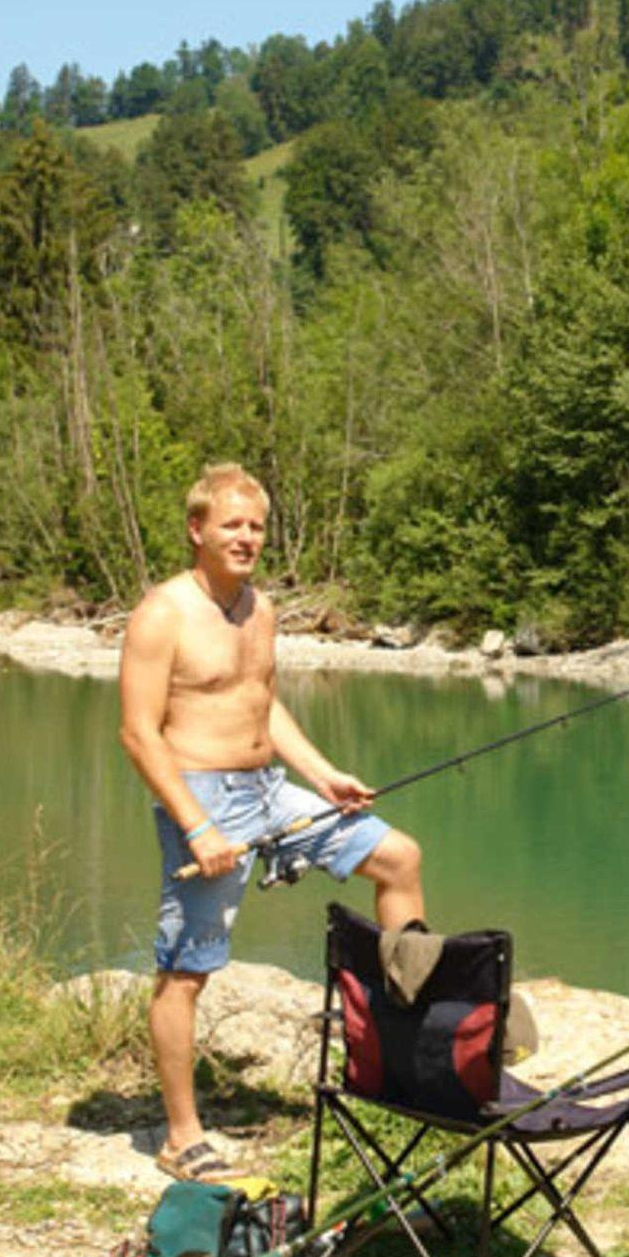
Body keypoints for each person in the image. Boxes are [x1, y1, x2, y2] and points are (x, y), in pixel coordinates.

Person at [119, 462, 426, 1183]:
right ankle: (182, 1137)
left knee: (399, 858)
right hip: (203, 798)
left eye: (256, 527)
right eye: (231, 524)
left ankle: (401, 1056)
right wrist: (197, 826)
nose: (246, 538)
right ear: (196, 530)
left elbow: (262, 700)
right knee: (185, 969)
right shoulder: (163, 613)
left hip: (272, 790)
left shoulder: (260, 608)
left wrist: (323, 776)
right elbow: (138, 733)